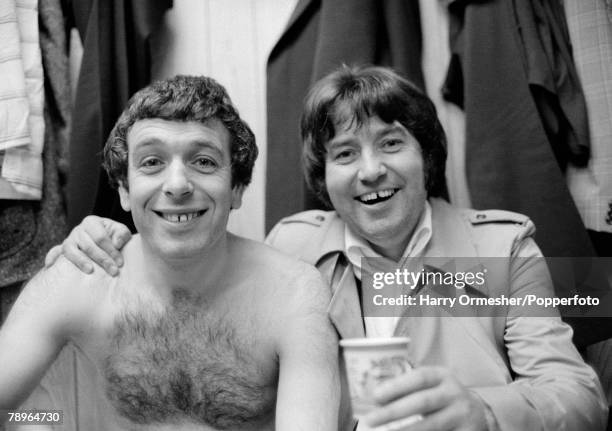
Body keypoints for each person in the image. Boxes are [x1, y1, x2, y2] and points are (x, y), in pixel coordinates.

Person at [47, 66, 607, 431]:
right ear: (324, 175)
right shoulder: (292, 243)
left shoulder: (501, 250)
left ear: (426, 157)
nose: (370, 171)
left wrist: (484, 413)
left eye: (391, 143)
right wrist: (104, 243)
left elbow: (579, 397)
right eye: (344, 154)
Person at [0, 75, 339, 431]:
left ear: (237, 188)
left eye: (204, 162)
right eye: (151, 162)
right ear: (125, 191)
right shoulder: (78, 277)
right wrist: (50, 422)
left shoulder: (294, 294)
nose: (177, 185)